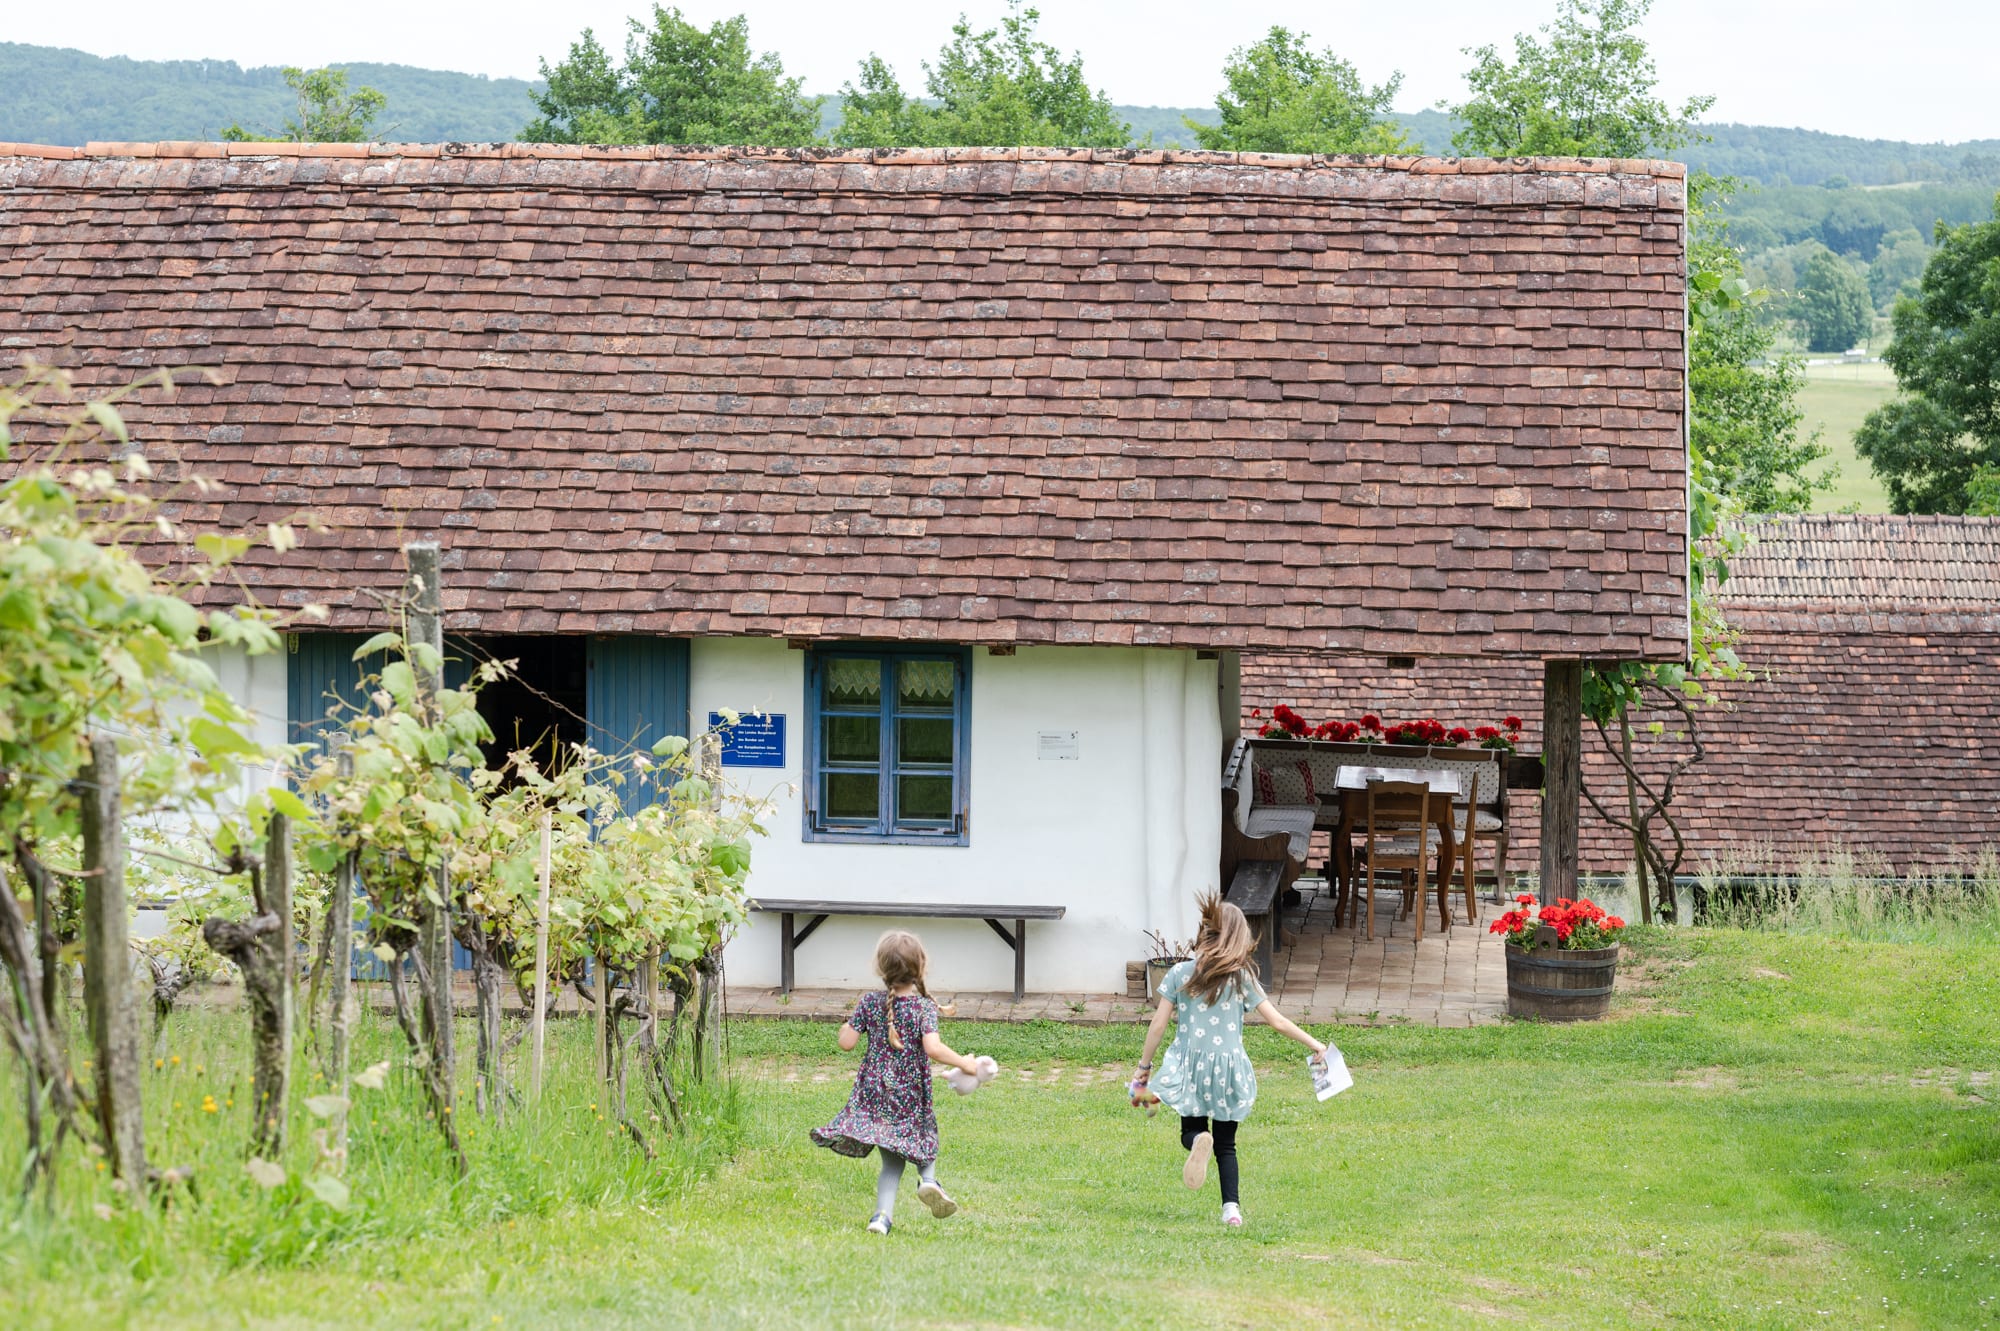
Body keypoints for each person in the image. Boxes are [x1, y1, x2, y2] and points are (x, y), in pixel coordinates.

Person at [1132, 893, 1328, 1227]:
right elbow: (1277, 1021)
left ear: (1205, 930)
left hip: (1190, 1066)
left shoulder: (1181, 973)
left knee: (1190, 1130)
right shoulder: (1241, 978)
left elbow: (1159, 1024)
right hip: (1228, 1068)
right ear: (1240, 938)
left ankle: (1197, 1141)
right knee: (1227, 1144)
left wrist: (1144, 1067)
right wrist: (1315, 1044)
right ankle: (1231, 1210)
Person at [811, 929, 989, 1235]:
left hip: (875, 1094)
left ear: (880, 968)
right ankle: (929, 1180)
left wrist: (845, 1027)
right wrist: (965, 1063)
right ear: (921, 968)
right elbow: (933, 1048)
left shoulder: (869, 1002)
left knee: (891, 1163)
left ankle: (881, 1218)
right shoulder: (923, 1007)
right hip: (909, 1093)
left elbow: (847, 1043)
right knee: (925, 1136)